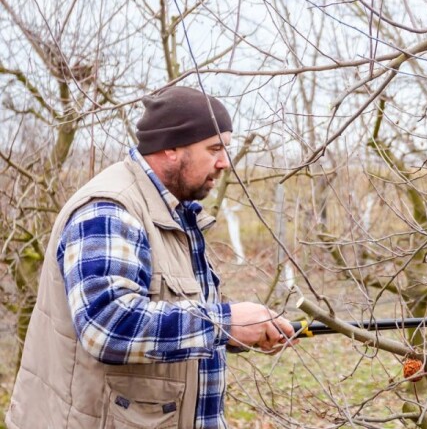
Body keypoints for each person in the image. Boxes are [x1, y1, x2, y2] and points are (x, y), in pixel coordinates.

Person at [6, 86, 294, 429]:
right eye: (214, 148)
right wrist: (224, 323)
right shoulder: (109, 210)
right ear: (171, 148)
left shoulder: (174, 212)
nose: (225, 163)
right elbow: (107, 325)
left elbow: (173, 315)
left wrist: (240, 331)